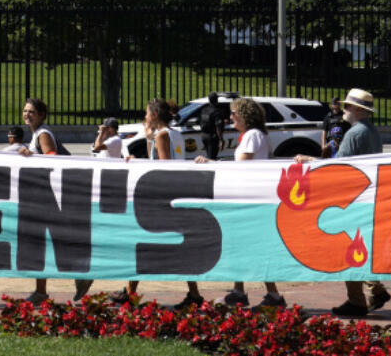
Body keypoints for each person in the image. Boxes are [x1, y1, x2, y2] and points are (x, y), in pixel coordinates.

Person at [297, 89, 388, 318]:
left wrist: (311, 160)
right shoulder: (371, 132)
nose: (344, 109)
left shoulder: (354, 134)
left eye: (348, 106)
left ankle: (357, 300)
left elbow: (341, 166)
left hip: (353, 198)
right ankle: (373, 290)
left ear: (358, 110)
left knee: (348, 249)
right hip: (366, 196)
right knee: (358, 246)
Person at [196, 98, 285, 310]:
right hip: (250, 197)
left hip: (250, 200)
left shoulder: (253, 136)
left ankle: (271, 295)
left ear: (245, 116)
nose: (230, 118)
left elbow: (243, 166)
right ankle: (241, 291)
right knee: (242, 246)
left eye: (234, 114)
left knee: (251, 247)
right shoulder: (256, 135)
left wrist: (213, 164)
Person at [113, 98, 202, 309]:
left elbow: (162, 165)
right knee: (161, 245)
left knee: (142, 243)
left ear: (153, 115)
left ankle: (130, 293)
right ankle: (193, 293)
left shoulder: (162, 136)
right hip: (175, 194)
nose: (144, 117)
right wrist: (147, 139)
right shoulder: (175, 134)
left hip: (162, 197)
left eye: (146, 114)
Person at [15, 98, 91, 302]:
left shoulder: (43, 134)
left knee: (49, 242)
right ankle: (43, 289)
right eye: (25, 111)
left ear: (41, 115)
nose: (27, 114)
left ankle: (81, 274)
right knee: (44, 243)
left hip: (51, 197)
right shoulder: (36, 134)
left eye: (31, 111)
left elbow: (52, 157)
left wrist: (31, 155)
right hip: (43, 196)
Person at [197, 93, 229, 160]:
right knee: (212, 158)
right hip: (212, 137)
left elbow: (199, 121)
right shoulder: (217, 111)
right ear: (217, 100)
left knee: (209, 155)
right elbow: (218, 127)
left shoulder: (204, 110)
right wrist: (221, 140)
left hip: (204, 135)